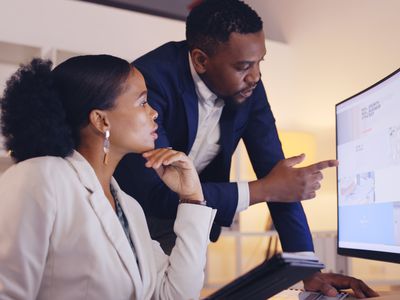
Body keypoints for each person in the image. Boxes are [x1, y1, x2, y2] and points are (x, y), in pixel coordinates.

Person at [114, 0, 379, 298]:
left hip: (190, 220)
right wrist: (264, 189)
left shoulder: (250, 86)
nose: (256, 76)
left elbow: (280, 178)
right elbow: (159, 192)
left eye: (260, 62)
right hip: (132, 217)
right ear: (201, 60)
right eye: (243, 66)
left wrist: (307, 268)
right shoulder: (151, 80)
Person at [0, 55, 216, 299]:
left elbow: (175, 295)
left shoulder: (129, 208)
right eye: (143, 102)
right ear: (101, 120)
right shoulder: (40, 178)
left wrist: (192, 198)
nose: (154, 113)